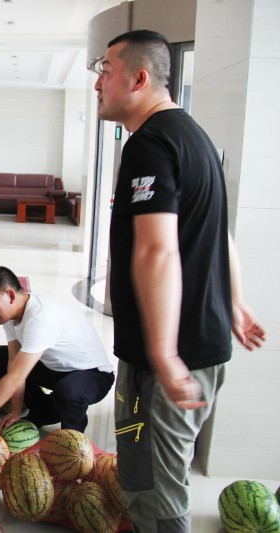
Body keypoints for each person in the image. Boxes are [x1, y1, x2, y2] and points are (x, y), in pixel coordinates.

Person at [96, 30, 266, 531]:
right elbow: (218, 232)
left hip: (169, 358)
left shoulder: (150, 145)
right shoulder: (194, 137)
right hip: (187, 348)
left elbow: (158, 250)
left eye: (105, 70)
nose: (98, 83)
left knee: (156, 494)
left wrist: (165, 355)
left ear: (139, 79)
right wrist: (233, 300)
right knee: (149, 478)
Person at [0, 266, 114, 432]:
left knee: (67, 392)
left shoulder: (40, 317)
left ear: (10, 295)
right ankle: (44, 411)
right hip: (56, 370)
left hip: (93, 374)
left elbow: (16, 377)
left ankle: (73, 434)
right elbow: (13, 364)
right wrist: (15, 411)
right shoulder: (11, 316)